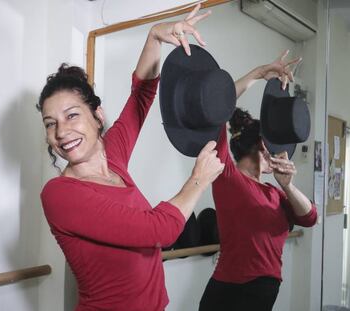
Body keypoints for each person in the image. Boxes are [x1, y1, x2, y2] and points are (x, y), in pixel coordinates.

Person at [37, 5, 224, 311]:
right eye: (50, 123)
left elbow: (141, 97)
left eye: (72, 115)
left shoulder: (113, 158)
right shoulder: (60, 194)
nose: (61, 131)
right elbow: (159, 232)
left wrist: (154, 36)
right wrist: (199, 179)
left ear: (97, 116)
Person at [199, 51, 318, 311]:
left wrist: (287, 184)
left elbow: (310, 218)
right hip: (229, 293)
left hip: (262, 293)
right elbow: (219, 110)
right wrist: (256, 73)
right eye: (273, 146)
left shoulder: (274, 192)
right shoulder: (228, 177)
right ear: (263, 146)